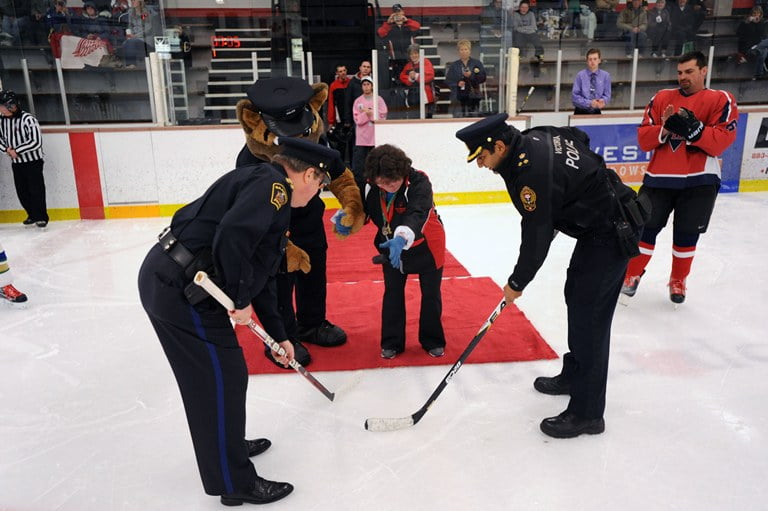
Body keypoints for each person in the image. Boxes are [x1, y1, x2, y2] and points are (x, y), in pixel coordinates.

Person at [138, 136, 341, 506]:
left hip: (178, 283)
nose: (318, 195)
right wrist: (240, 298)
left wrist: (281, 337)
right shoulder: (272, 187)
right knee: (218, 378)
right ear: (309, 174)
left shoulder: (265, 188)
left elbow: (259, 272)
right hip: (180, 288)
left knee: (224, 376)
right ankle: (233, 482)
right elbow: (231, 239)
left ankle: (227, 445)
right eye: (321, 186)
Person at [455, 113, 648, 439]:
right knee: (576, 296)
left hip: (614, 230)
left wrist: (517, 282)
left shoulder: (529, 171)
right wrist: (566, 195)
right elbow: (577, 137)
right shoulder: (536, 136)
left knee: (591, 318)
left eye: (482, 157)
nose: (481, 165)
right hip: (598, 228)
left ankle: (588, 413)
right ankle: (575, 375)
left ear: (499, 146)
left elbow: (536, 234)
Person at [235, 77, 365, 368]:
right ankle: (282, 337)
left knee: (314, 272)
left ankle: (312, 323)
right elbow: (246, 218)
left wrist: (352, 205)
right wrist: (282, 245)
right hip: (272, 231)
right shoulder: (249, 162)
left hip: (309, 219)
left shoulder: (318, 138)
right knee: (278, 281)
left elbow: (339, 173)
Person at [622, 51, 738, 304]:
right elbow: (644, 139)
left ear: (703, 71)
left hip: (700, 180)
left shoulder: (720, 99)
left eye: (689, 72)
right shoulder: (662, 98)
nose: (683, 77)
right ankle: (631, 274)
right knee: (643, 228)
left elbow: (720, 143)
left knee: (687, 235)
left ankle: (678, 279)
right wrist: (664, 129)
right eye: (680, 72)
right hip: (659, 178)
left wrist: (696, 131)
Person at [361, 144, 446, 359]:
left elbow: (418, 213)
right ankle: (392, 342)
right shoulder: (371, 185)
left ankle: (432, 339)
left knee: (431, 294)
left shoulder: (419, 182)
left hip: (427, 245)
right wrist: (349, 219)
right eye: (382, 182)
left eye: (393, 181)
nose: (388, 186)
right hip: (391, 247)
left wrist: (401, 238)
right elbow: (364, 211)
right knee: (392, 292)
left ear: (403, 173)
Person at [0, 90, 49, 228]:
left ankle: (41, 217)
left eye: (1, 105)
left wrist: (17, 151)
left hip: (33, 162)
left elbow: (36, 142)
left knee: (36, 190)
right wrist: (7, 150)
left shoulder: (28, 119)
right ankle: (32, 215)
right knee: (22, 191)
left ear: (10, 105)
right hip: (16, 163)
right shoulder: (1, 121)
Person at [351, 76, 388, 189]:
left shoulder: (379, 100)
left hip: (374, 138)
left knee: (375, 163)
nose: (366, 87)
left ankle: (375, 184)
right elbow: (357, 119)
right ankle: (361, 187)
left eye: (368, 84)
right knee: (360, 166)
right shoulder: (358, 101)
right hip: (362, 139)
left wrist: (369, 113)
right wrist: (368, 114)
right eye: (364, 84)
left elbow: (382, 116)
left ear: (372, 86)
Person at [377, 3, 421, 87]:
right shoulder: (389, 27)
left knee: (412, 82)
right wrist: (388, 23)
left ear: (403, 12)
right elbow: (380, 33)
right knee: (398, 83)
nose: (398, 15)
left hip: (410, 59)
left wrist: (406, 20)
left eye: (399, 12)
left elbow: (418, 27)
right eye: (395, 13)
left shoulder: (408, 25)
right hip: (396, 60)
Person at [444, 39, 486, 118]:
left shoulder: (477, 63)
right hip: (457, 98)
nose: (464, 51)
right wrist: (457, 84)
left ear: (470, 50)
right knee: (458, 118)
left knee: (474, 119)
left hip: (474, 97)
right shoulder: (454, 65)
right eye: (461, 49)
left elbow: (483, 78)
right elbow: (447, 81)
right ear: (458, 51)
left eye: (466, 49)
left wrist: (471, 75)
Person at [117, 0, 160, 67]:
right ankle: (130, 65)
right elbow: (130, 25)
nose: (132, 2)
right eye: (131, 0)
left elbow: (148, 28)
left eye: (134, 0)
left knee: (131, 42)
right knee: (125, 43)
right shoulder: (131, 11)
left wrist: (135, 36)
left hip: (146, 39)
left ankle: (131, 65)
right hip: (135, 38)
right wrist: (130, 33)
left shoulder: (147, 11)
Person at [400, 43, 436, 119]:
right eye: (411, 54)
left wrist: (416, 76)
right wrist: (410, 78)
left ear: (419, 53)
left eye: (415, 53)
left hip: (425, 96)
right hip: (412, 96)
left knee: (427, 119)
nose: (414, 55)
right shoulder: (408, 65)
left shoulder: (426, 62)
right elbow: (402, 77)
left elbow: (430, 76)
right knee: (414, 118)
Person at [572, 48, 611, 115]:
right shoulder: (580, 75)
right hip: (580, 111)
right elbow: (575, 97)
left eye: (595, 59)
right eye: (590, 59)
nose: (592, 61)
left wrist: (603, 100)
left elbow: (607, 95)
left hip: (596, 111)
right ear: (587, 61)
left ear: (599, 60)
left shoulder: (605, 76)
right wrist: (589, 103)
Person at [326, 64, 352, 163]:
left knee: (351, 144)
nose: (343, 73)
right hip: (340, 119)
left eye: (344, 70)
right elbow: (331, 104)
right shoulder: (333, 85)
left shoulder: (351, 83)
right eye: (340, 71)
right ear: (337, 73)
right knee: (341, 144)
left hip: (351, 118)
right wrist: (331, 121)